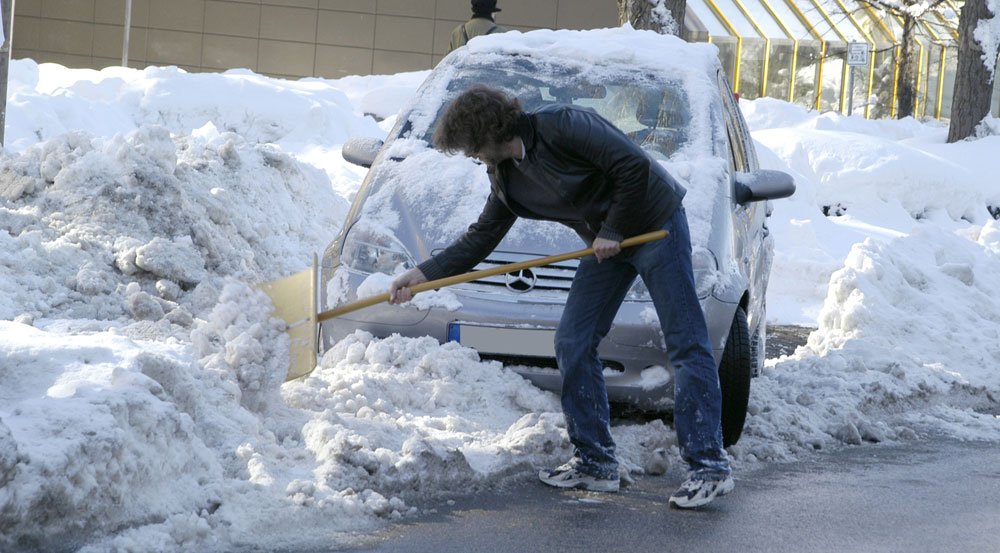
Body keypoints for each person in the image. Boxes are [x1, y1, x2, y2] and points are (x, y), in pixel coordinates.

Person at [388, 85, 733, 509]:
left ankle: (709, 466)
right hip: (606, 244)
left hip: (653, 225)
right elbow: (481, 239)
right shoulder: (505, 177)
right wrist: (420, 276)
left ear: (487, 132)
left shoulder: (563, 125)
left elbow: (632, 166)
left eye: (471, 147)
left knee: (685, 339)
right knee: (572, 340)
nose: (471, 156)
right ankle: (596, 460)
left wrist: (613, 229)